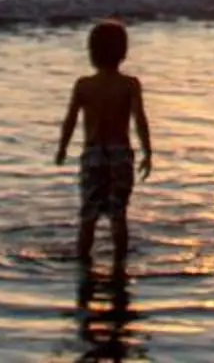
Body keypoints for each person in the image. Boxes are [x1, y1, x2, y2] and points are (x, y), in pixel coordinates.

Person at [54, 18, 153, 271]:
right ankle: (120, 263)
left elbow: (70, 120)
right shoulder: (129, 85)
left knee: (88, 215)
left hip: (93, 154)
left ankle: (82, 262)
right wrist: (147, 151)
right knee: (118, 215)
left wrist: (62, 148)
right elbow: (140, 119)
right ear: (123, 52)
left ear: (92, 52)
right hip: (120, 155)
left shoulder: (84, 85)